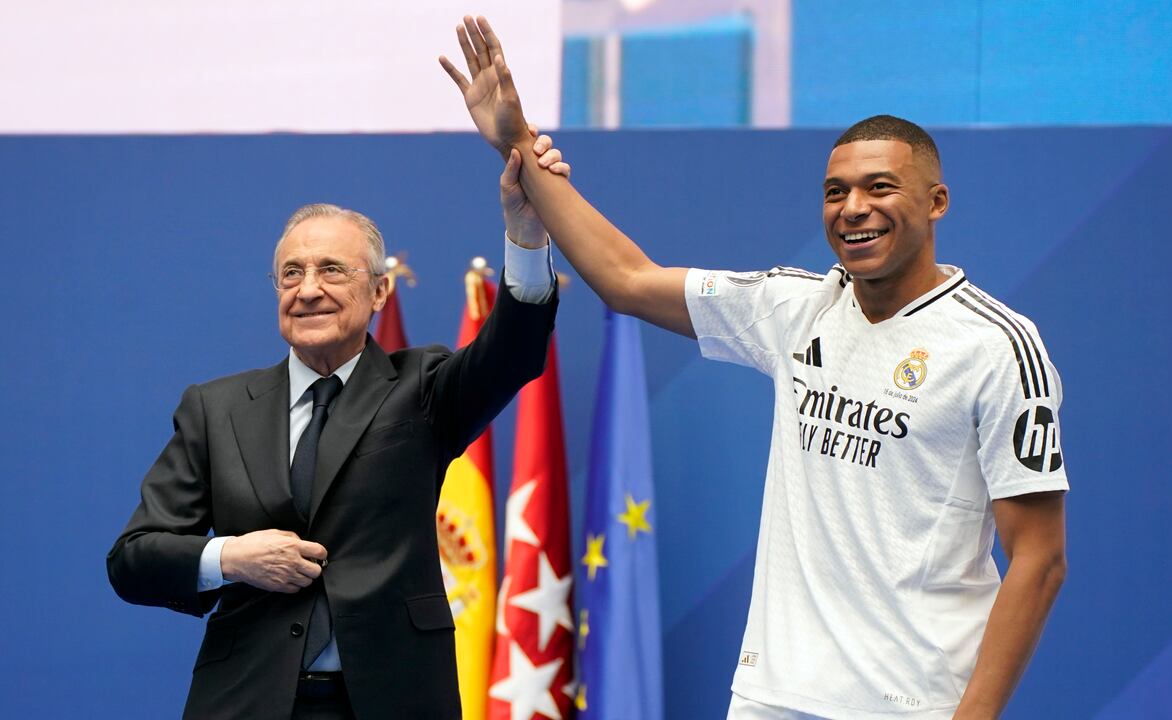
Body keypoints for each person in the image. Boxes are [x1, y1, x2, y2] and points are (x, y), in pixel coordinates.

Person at [441, 16, 1068, 720]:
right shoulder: (795, 307)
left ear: (936, 201)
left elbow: (1039, 558)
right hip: (771, 698)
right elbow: (627, 278)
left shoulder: (997, 346)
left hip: (913, 704)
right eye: (836, 192)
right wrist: (515, 142)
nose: (854, 209)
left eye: (880, 187)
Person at [107, 131, 571, 719]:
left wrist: (526, 236)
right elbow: (133, 558)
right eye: (291, 273)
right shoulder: (215, 408)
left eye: (331, 270)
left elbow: (514, 351)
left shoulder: (423, 387)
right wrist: (230, 557)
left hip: (390, 699)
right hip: (248, 700)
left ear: (379, 291)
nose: (308, 290)